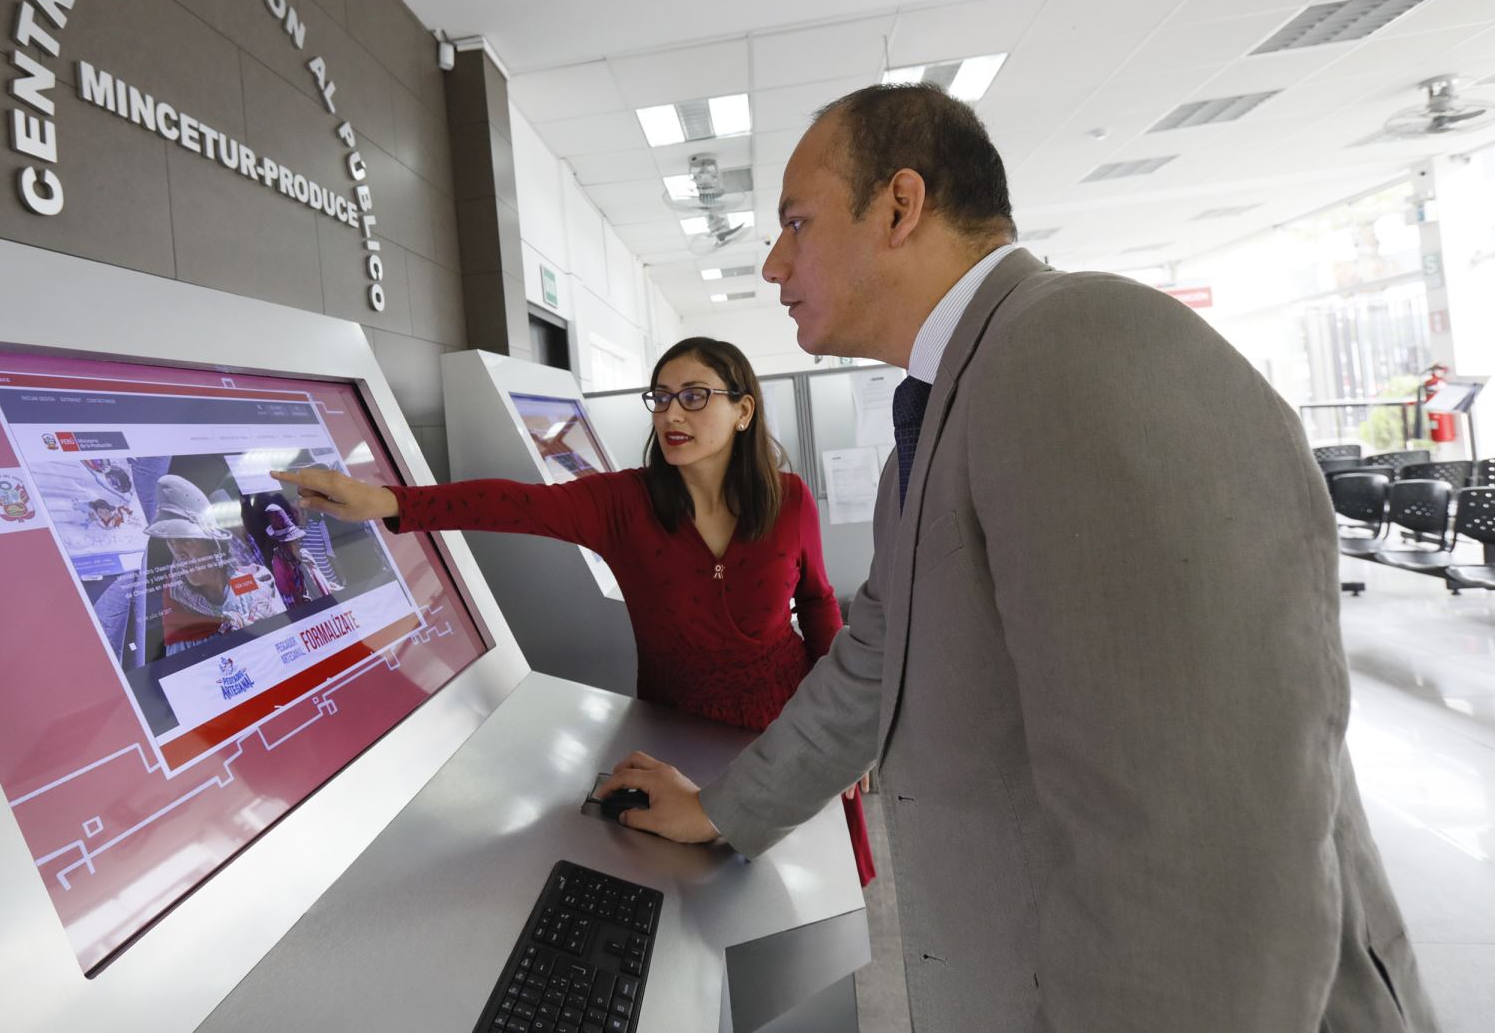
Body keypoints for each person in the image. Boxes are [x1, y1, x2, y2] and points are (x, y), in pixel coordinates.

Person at [593, 84, 1435, 1032]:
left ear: (899, 207)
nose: (774, 263)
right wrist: (724, 811)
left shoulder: (1085, 350)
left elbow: (1194, 847)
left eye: (797, 223)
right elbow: (872, 661)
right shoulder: (947, 412)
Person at [274, 337, 876, 885]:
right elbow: (514, 505)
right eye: (661, 398)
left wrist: (836, 728)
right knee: (699, 893)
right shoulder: (624, 503)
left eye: (694, 397)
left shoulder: (789, 498)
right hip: (677, 729)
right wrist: (388, 501)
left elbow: (818, 602)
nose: (671, 414)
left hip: (787, 720)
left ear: (743, 411)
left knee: (811, 887)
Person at [142, 474, 281, 659]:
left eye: (186, 540)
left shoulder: (248, 584)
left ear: (213, 544)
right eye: (171, 542)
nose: (178, 552)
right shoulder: (176, 609)